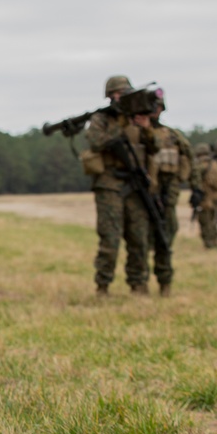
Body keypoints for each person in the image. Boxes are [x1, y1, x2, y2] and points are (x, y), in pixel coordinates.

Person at [84, 75, 159, 296]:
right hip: (110, 185)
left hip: (136, 186)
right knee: (110, 238)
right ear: (110, 96)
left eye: (126, 93)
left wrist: (145, 128)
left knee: (139, 237)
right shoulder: (102, 119)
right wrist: (122, 123)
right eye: (118, 94)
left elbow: (155, 147)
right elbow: (96, 141)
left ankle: (139, 284)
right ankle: (103, 286)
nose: (122, 97)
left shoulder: (139, 118)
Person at [147, 89, 201, 297]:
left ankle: (165, 284)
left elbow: (191, 161)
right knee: (140, 243)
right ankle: (139, 286)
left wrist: (197, 189)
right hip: (140, 197)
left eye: (157, 107)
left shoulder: (173, 136)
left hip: (167, 198)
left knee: (165, 240)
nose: (154, 111)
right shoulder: (134, 134)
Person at [192, 143, 217, 249]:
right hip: (216, 196)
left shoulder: (201, 165)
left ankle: (209, 243)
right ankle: (215, 241)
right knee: (213, 220)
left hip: (206, 197)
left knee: (205, 221)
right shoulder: (215, 164)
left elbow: (195, 181)